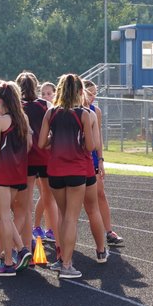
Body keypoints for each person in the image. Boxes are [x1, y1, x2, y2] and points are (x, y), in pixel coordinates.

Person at [40, 74, 106, 279]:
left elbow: (41, 143)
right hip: (76, 170)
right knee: (71, 218)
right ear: (79, 92)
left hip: (55, 171)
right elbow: (91, 146)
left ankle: (61, 259)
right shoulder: (85, 114)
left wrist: (55, 137)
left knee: (62, 215)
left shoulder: (51, 113)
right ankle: (67, 265)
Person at [0, 82, 31, 277]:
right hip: (18, 171)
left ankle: (9, 261)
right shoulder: (23, 118)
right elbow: (28, 146)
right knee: (3, 215)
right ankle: (20, 250)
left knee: (4, 216)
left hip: (1, 171)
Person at [18, 71, 57, 258]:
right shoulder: (45, 105)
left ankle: (26, 245)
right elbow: (54, 131)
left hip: (26, 158)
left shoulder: (16, 106)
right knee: (50, 200)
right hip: (45, 156)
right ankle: (57, 242)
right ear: (36, 86)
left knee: (26, 204)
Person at [84, 80, 124, 247]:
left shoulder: (96, 111)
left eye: (95, 93)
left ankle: (109, 232)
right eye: (90, 93)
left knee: (100, 193)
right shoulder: (69, 110)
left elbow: (98, 137)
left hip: (92, 157)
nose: (93, 96)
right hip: (74, 158)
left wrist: (100, 160)